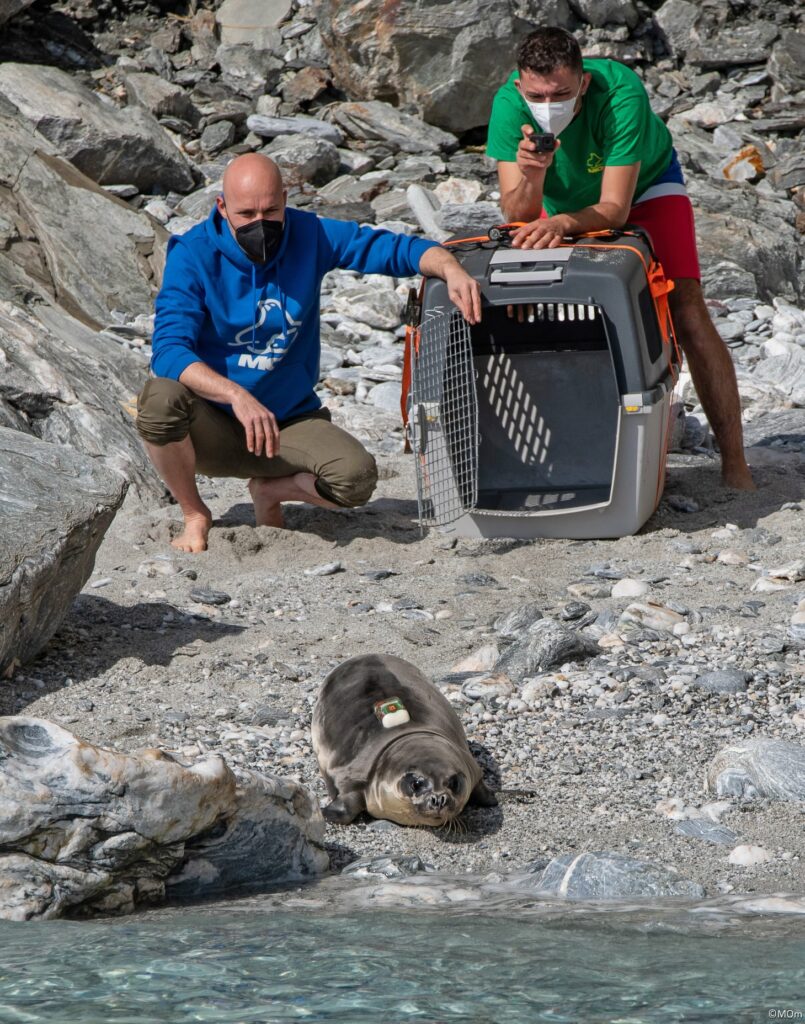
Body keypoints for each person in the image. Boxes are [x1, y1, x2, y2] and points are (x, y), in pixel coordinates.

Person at [137, 153, 482, 553]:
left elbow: (390, 249)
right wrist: (236, 395)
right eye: (246, 213)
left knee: (355, 480)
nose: (259, 223)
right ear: (221, 207)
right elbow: (168, 350)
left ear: (286, 199)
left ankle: (270, 490)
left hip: (287, 424)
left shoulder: (310, 234)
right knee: (159, 399)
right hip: (213, 426)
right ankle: (195, 513)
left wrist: (449, 266)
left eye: (270, 210)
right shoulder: (192, 253)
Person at [486, 26, 755, 490]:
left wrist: (560, 224)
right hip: (562, 195)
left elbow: (615, 210)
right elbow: (517, 213)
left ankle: (735, 463)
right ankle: (546, 451)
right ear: (519, 86)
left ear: (584, 82)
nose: (549, 103)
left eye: (562, 93)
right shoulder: (509, 105)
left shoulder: (620, 91)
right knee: (524, 302)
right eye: (537, 94)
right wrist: (532, 175)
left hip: (644, 185)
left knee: (686, 307)